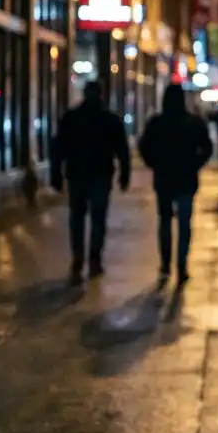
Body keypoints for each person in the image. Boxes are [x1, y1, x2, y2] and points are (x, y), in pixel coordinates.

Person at [51, 81, 131, 283]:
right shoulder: (109, 120)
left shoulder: (71, 118)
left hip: (77, 174)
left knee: (77, 218)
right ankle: (94, 259)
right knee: (98, 218)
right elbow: (122, 150)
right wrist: (124, 174)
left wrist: (56, 175)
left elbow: (58, 148)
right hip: (100, 175)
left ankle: (78, 258)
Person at [138, 84, 213, 286]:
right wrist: (195, 164)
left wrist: (155, 164)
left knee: (164, 222)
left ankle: (165, 264)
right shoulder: (193, 123)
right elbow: (207, 148)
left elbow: (144, 148)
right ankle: (181, 265)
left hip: (164, 179)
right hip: (186, 179)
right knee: (184, 224)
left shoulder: (157, 123)